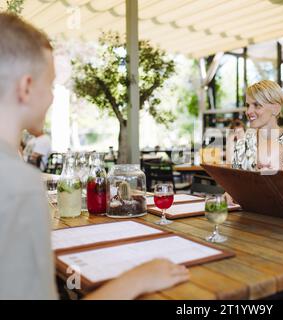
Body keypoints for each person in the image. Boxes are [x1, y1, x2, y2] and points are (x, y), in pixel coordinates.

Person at [0, 13, 189, 300]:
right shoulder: (18, 184)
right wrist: (136, 279)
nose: (52, 97)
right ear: (26, 87)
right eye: (50, 84)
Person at [232, 80, 283, 171]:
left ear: (275, 109)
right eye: (248, 105)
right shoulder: (242, 145)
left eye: (257, 105)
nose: (248, 111)